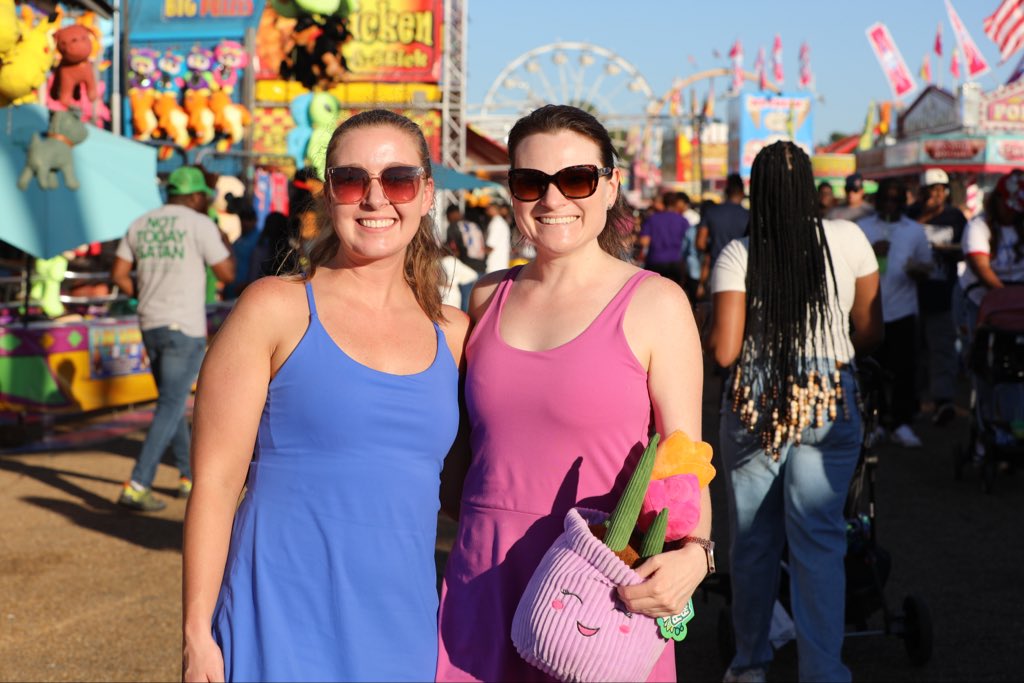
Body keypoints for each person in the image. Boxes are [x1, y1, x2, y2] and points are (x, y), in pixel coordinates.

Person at [181, 110, 470, 682]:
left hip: (403, 629)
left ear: (426, 194)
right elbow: (214, 483)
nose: (375, 198)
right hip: (276, 619)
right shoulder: (274, 307)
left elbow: (470, 494)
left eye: (398, 179)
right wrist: (196, 635)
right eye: (351, 179)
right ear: (329, 193)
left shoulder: (455, 334)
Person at [436, 104, 709, 682]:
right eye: (531, 182)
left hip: (596, 593)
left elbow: (686, 462)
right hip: (483, 577)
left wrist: (698, 554)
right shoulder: (484, 297)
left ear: (611, 186)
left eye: (577, 179)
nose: (553, 199)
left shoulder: (656, 303)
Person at [706, 141, 882, 683]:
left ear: (755, 191)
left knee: (754, 542)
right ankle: (822, 671)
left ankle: (750, 664)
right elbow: (870, 330)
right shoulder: (849, 238)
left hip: (757, 401)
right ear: (810, 187)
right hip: (829, 393)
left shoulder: (739, 254)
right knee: (820, 541)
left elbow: (725, 353)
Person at [111, 166, 235, 512]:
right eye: (205, 197)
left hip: (150, 322)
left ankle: (187, 475)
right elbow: (227, 273)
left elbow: (118, 274)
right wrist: (223, 240)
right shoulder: (199, 224)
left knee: (172, 402)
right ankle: (138, 484)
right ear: (195, 196)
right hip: (184, 326)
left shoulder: (141, 223)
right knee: (171, 404)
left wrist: (145, 294)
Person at [857, 178, 932, 448]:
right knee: (870, 371)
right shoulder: (862, 228)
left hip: (902, 310)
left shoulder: (915, 231)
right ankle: (874, 422)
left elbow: (926, 266)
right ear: (877, 201)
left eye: (895, 200)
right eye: (885, 199)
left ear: (903, 203)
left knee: (904, 370)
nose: (890, 205)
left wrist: (917, 271)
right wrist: (870, 251)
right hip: (869, 311)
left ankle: (901, 423)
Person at [906, 169, 967, 426]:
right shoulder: (910, 215)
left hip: (942, 294)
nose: (936, 195)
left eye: (941, 190)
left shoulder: (955, 217)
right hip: (910, 295)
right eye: (931, 190)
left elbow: (966, 250)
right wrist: (927, 216)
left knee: (942, 349)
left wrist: (949, 251)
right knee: (913, 351)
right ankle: (912, 403)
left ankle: (943, 402)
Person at [957, 170, 1024, 339]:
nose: (1012, 213)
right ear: (997, 199)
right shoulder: (978, 226)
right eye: (1009, 208)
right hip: (982, 300)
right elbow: (981, 268)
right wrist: (1007, 298)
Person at [696, 173, 748, 300]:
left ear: (726, 191)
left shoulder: (711, 212)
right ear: (742, 193)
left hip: (716, 269)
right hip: (743, 273)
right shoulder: (749, 216)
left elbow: (700, 243)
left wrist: (712, 248)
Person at [638, 190, 688, 284]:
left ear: (663, 202)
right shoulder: (683, 220)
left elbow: (644, 241)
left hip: (655, 261)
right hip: (676, 261)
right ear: (676, 203)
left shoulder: (652, 219)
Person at [445, 203, 487, 309]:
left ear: (450, 215)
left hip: (467, 268)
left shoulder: (453, 227)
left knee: (466, 303)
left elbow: (453, 249)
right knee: (479, 303)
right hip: (482, 267)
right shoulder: (474, 225)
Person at [484, 200, 512, 274]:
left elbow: (491, 245)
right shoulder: (501, 222)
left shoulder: (496, 223)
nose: (486, 210)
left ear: (493, 209)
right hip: (501, 264)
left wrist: (479, 253)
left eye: (488, 208)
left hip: (494, 265)